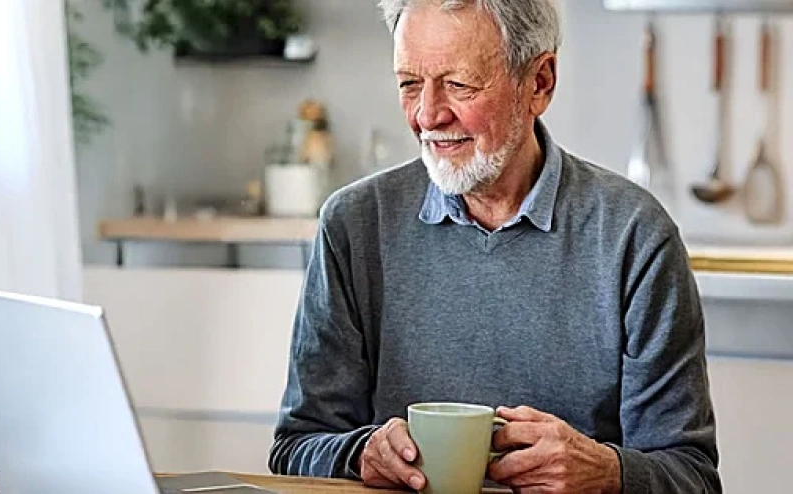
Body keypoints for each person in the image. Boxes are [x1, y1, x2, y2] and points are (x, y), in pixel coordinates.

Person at [268, 0, 721, 492]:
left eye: (459, 85)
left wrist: (608, 472)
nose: (428, 115)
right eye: (409, 84)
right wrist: (358, 454)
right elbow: (296, 446)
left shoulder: (634, 236)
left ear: (540, 82)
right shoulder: (353, 226)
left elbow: (693, 477)